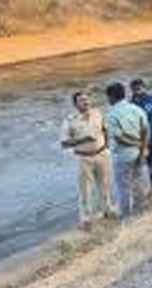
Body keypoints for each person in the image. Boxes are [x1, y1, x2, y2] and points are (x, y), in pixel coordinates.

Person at [60, 91, 115, 230]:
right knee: (85, 190)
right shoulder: (69, 120)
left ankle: (107, 210)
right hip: (83, 158)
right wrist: (83, 139)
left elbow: (105, 129)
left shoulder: (98, 113)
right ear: (75, 104)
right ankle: (86, 219)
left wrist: (107, 146)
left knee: (105, 184)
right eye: (81, 100)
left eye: (87, 99)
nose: (86, 102)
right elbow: (64, 143)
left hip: (102, 154)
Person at [105, 82, 150, 218]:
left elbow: (119, 138)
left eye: (107, 97)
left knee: (123, 188)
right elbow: (146, 131)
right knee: (139, 184)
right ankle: (141, 213)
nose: (107, 100)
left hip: (123, 156)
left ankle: (126, 217)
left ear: (112, 97)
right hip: (139, 153)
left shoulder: (112, 114)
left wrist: (136, 144)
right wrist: (142, 149)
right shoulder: (136, 109)